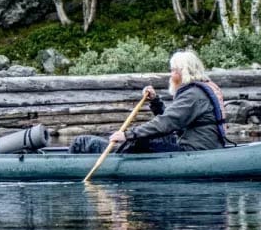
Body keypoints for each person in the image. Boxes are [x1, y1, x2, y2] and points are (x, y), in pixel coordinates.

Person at [70, 50, 227, 154]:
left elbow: (166, 123)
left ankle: (107, 154)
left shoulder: (193, 95)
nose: (171, 75)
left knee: (138, 142)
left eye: (174, 71)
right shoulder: (200, 90)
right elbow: (174, 119)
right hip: (204, 145)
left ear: (184, 72)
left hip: (195, 150)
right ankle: (114, 149)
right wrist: (155, 101)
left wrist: (129, 135)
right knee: (153, 138)